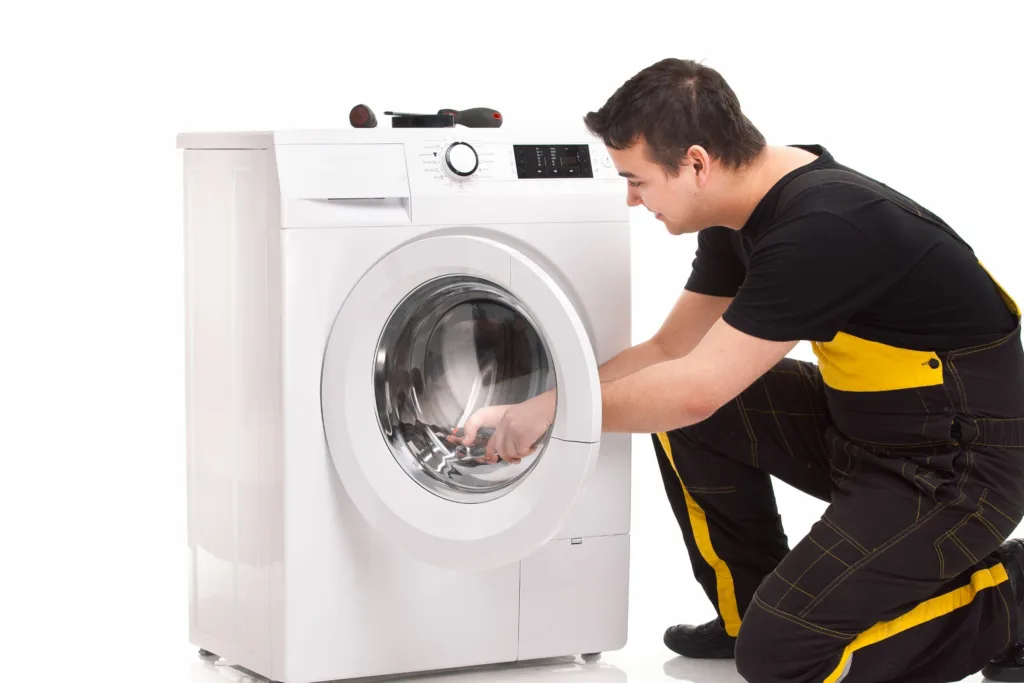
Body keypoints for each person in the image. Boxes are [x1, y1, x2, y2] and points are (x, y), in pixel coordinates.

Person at [453, 57, 1024, 682]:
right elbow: (670, 354)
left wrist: (548, 416)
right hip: (863, 425)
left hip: (958, 463)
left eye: (637, 180)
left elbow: (694, 391)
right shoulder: (743, 209)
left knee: (786, 659)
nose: (629, 196)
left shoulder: (824, 227)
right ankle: (746, 613)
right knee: (668, 406)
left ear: (696, 163)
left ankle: (1013, 597)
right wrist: (539, 401)